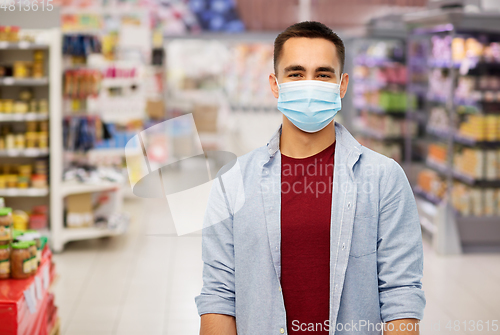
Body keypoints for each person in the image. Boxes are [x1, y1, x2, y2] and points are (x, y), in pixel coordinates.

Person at [195, 21, 425, 335]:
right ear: (275, 85)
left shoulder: (384, 179)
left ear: (342, 85)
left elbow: (401, 295)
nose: (309, 84)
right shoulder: (232, 182)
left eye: (322, 74)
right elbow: (219, 296)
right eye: (296, 73)